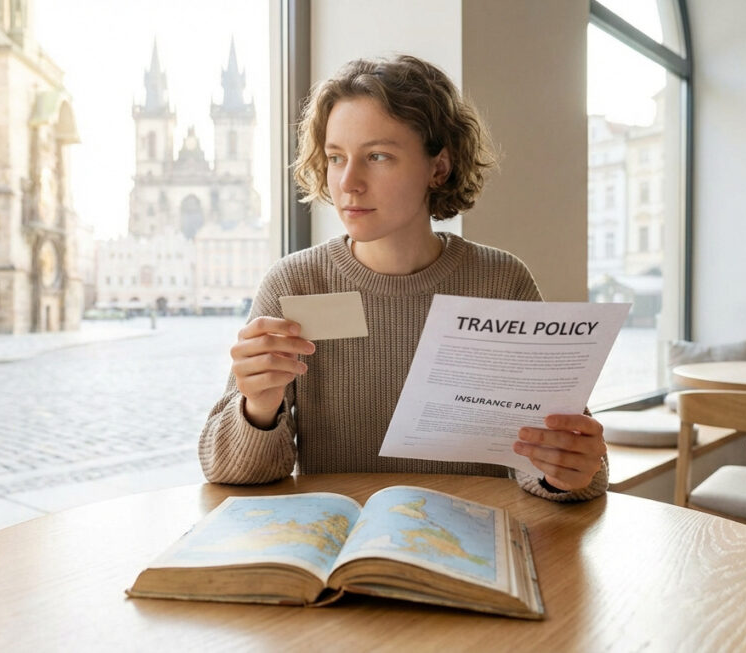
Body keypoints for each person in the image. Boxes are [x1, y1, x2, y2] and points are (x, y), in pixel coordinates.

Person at [199, 54, 607, 502]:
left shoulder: (501, 282)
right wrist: (259, 406)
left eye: (377, 156)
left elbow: (564, 465)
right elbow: (228, 470)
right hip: (341, 554)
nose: (348, 183)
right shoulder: (294, 283)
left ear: (439, 167)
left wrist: (565, 470)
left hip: (471, 548)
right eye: (336, 158)